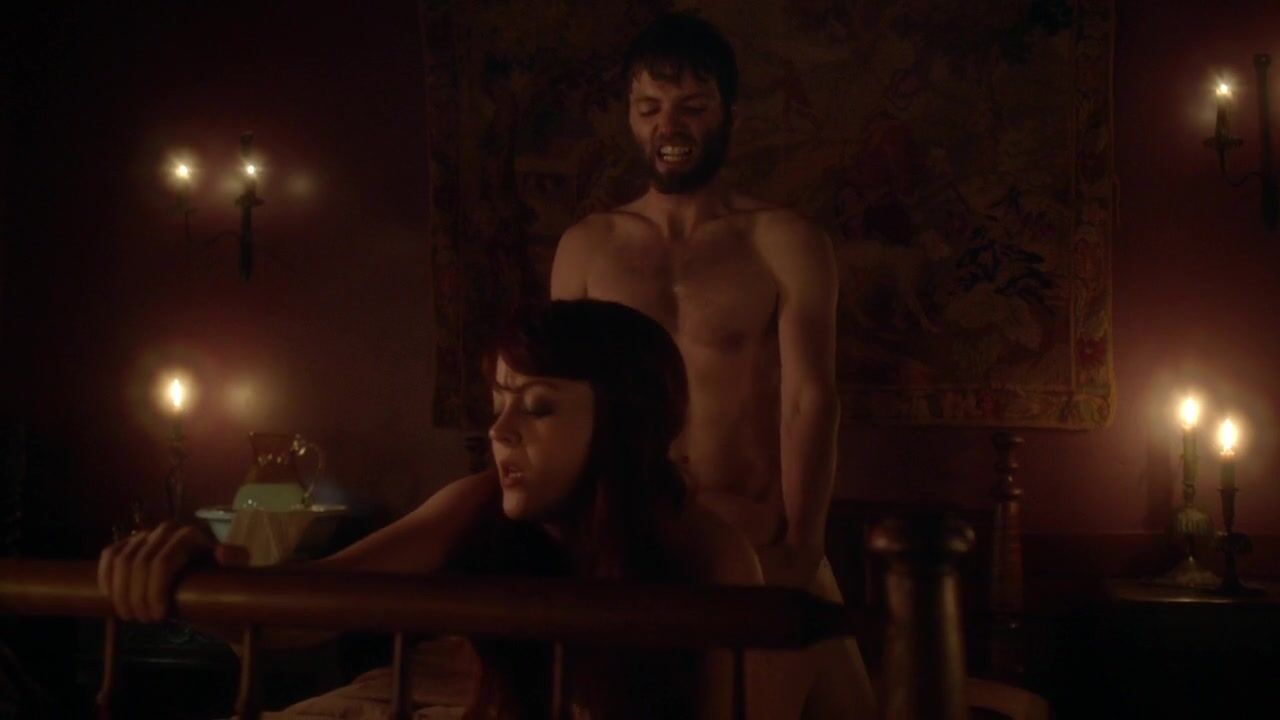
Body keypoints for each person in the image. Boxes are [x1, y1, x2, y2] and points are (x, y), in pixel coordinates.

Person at [98, 299, 762, 720]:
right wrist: (193, 576)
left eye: (538, 407)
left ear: (623, 424)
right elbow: (305, 611)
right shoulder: (478, 504)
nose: (500, 430)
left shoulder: (709, 557)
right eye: (498, 403)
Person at [550, 13, 876, 718]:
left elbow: (809, 399)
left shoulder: (783, 240)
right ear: (629, 118)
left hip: (757, 539)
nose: (668, 125)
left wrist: (804, 545)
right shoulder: (586, 246)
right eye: (649, 107)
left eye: (692, 106)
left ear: (730, 114)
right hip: (631, 540)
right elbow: (560, 400)